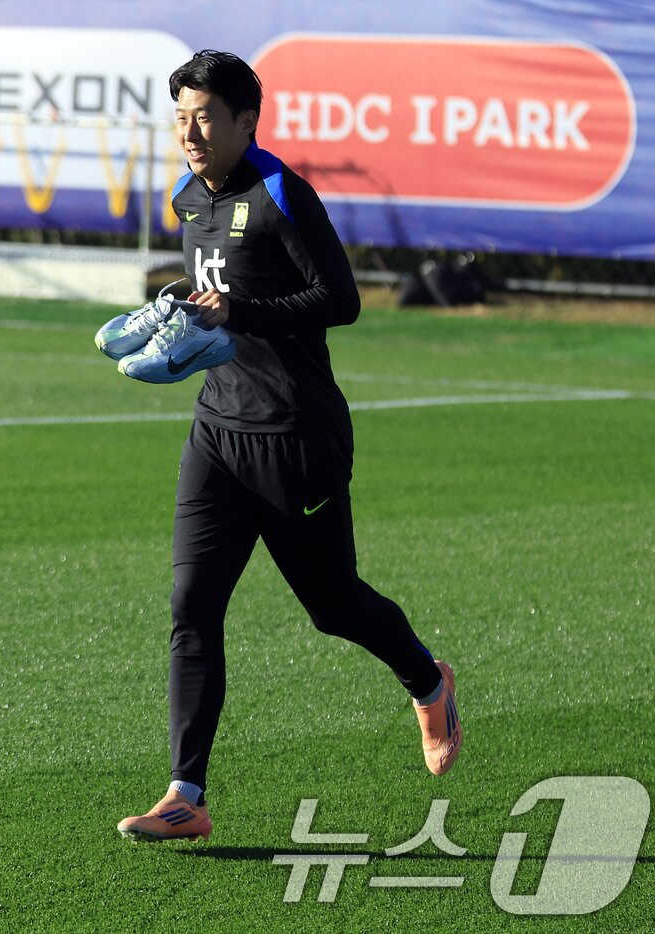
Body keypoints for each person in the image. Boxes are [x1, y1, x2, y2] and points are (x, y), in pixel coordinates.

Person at [115, 51, 463, 843]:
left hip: (295, 434)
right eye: (180, 118)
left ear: (246, 121)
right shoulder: (184, 200)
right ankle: (186, 794)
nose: (190, 133)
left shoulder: (280, 193)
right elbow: (215, 296)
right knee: (192, 607)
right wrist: (182, 309)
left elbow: (340, 300)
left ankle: (426, 679)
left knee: (332, 605)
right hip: (218, 432)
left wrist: (238, 311)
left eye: (205, 117)